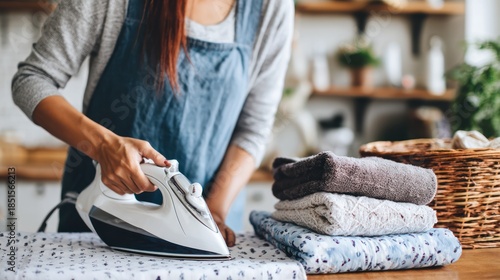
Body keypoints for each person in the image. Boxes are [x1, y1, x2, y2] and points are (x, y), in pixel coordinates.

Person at [12, 0, 293, 246]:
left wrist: (212, 213)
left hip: (213, 216)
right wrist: (103, 146)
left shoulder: (270, 7)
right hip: (98, 228)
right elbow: (32, 79)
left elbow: (254, 128)